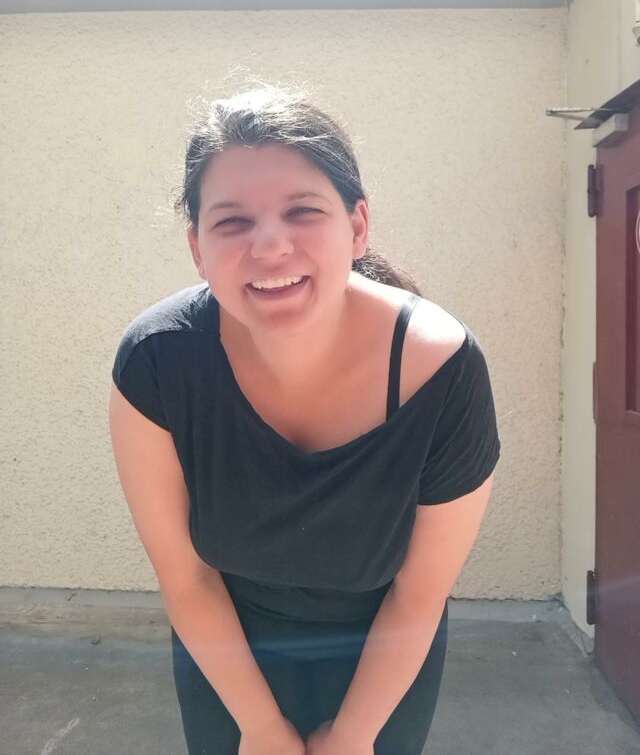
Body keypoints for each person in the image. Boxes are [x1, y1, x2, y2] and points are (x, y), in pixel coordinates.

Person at [108, 83, 501, 755]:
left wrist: (353, 735)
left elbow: (419, 592)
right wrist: (261, 729)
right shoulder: (156, 362)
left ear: (357, 225)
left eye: (302, 211)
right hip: (225, 645)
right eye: (231, 221)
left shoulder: (442, 369)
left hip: (387, 646)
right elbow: (187, 578)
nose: (270, 245)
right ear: (197, 247)